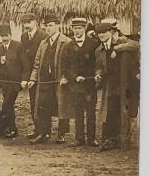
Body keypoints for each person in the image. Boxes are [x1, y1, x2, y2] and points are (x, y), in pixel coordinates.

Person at [94, 22, 139, 151]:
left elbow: (136, 45)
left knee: (126, 110)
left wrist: (116, 49)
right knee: (110, 111)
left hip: (126, 82)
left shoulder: (121, 40)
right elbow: (99, 67)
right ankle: (111, 139)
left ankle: (124, 138)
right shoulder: (99, 50)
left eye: (104, 32)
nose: (102, 35)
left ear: (111, 32)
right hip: (110, 84)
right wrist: (98, 75)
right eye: (99, 33)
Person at [28, 14, 72, 144]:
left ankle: (62, 133)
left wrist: (65, 77)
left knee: (61, 105)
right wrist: (33, 79)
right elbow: (36, 64)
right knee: (43, 106)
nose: (48, 28)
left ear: (58, 25)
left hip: (60, 80)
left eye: (51, 25)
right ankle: (44, 133)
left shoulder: (66, 42)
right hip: (45, 81)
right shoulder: (44, 43)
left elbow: (70, 64)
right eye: (46, 26)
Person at [60, 18, 100, 147]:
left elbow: (97, 63)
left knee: (91, 112)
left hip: (89, 85)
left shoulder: (94, 44)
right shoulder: (68, 46)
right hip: (75, 85)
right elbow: (64, 66)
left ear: (85, 28)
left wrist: (94, 75)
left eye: (80, 28)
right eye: (75, 28)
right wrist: (75, 77)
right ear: (72, 29)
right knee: (78, 112)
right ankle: (79, 138)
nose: (77, 31)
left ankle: (92, 138)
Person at [0, 24, 23, 138]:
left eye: (6, 36)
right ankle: (9, 129)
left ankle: (9, 128)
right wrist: (1, 59)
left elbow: (24, 63)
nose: (4, 38)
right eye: (2, 36)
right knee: (8, 106)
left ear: (10, 35)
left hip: (14, 82)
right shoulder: (0, 48)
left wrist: (23, 79)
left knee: (6, 105)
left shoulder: (18, 46)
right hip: (4, 82)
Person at [19, 13, 48, 137]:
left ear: (35, 22)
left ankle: (45, 132)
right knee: (32, 102)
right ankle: (37, 129)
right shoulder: (24, 37)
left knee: (43, 103)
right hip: (30, 74)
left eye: (29, 22)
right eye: (24, 23)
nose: (26, 25)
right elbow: (25, 58)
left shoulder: (43, 35)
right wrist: (26, 76)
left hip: (42, 74)